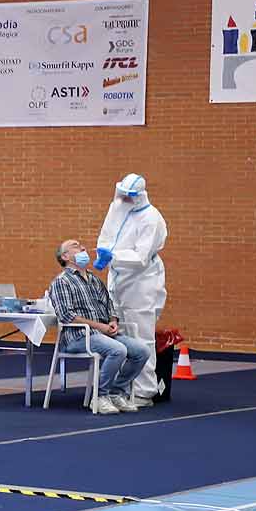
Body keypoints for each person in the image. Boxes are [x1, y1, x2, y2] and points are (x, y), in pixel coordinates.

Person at [48, 239, 149, 416]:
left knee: (142, 351)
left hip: (103, 333)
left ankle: (116, 392)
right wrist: (99, 327)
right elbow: (67, 316)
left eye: (81, 246)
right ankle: (100, 396)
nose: (83, 248)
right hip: (78, 336)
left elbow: (109, 304)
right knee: (118, 350)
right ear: (65, 256)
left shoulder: (94, 279)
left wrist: (112, 321)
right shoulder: (61, 282)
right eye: (75, 246)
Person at [94, 173, 168, 405]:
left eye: (129, 196)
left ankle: (145, 391)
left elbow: (141, 257)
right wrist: (104, 255)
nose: (124, 199)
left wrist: (114, 256)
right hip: (118, 278)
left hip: (142, 281)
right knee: (119, 334)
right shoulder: (118, 208)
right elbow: (107, 235)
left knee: (141, 336)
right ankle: (121, 388)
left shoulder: (151, 218)